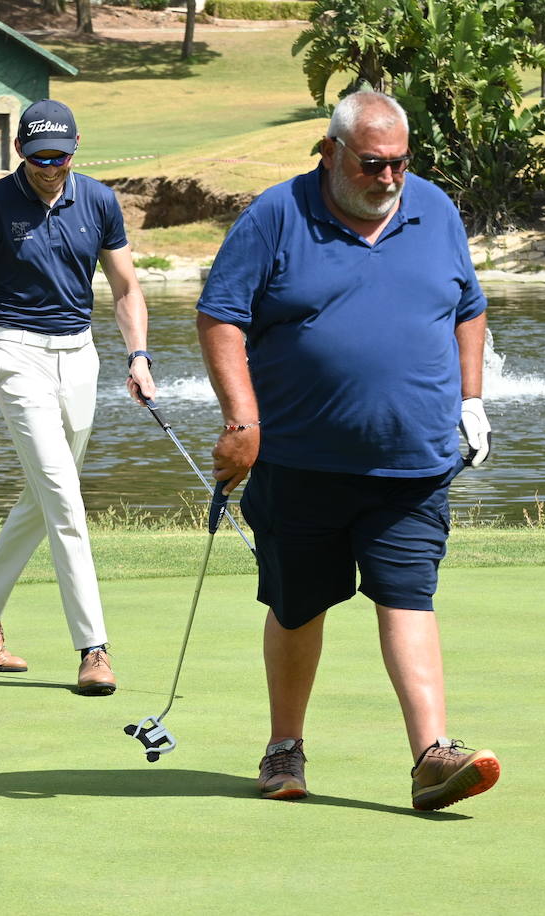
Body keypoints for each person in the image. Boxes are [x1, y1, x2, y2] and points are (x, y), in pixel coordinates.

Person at [196, 90, 500, 811]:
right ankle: (284, 749)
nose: (388, 179)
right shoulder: (276, 215)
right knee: (299, 605)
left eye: (398, 164)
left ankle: (431, 757)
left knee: (408, 595)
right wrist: (242, 422)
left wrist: (472, 399)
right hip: (300, 462)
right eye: (372, 163)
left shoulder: (435, 210)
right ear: (330, 152)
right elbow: (220, 318)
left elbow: (469, 309)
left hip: (413, 461)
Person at [0, 99, 156, 696]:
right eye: (37, 158)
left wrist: (138, 356)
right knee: (63, 496)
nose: (48, 167)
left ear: (76, 147)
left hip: (80, 354)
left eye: (59, 157)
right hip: (13, 353)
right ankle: (93, 646)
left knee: (46, 491)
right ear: (19, 152)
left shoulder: (100, 201)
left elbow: (127, 288)